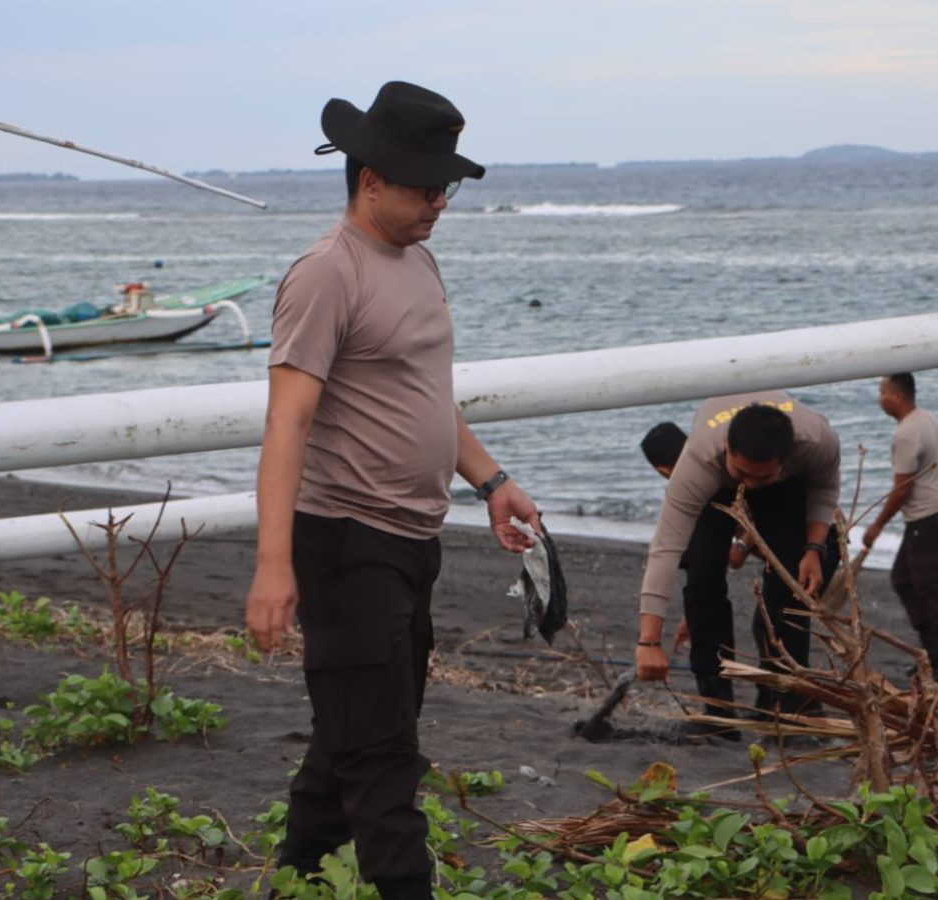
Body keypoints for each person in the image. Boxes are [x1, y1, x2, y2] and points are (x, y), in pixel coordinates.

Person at [245, 81, 540, 900]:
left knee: (353, 738)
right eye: (424, 185)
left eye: (446, 185)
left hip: (414, 540)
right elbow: (287, 424)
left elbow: (422, 392)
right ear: (369, 178)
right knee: (383, 758)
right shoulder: (325, 275)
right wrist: (275, 567)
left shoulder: (417, 258)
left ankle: (293, 885)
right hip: (343, 541)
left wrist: (491, 478)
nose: (439, 201)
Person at [634, 393, 841, 717]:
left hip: (784, 486)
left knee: (790, 585)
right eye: (743, 475)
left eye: (761, 477)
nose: (751, 486)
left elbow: (825, 490)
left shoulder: (817, 440)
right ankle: (719, 708)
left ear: (787, 459)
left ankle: (784, 701)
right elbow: (664, 550)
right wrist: (649, 642)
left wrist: (813, 550)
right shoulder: (700, 460)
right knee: (702, 576)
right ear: (727, 449)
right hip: (718, 479)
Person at [639, 421, 754, 734]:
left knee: (709, 619)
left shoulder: (695, 486)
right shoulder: (719, 463)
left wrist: (742, 547)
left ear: (663, 469)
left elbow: (684, 562)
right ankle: (744, 710)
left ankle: (721, 717)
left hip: (732, 571)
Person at [861, 372, 938, 692]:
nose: (879, 398)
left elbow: (901, 490)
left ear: (897, 397)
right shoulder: (927, 419)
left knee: (931, 589)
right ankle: (933, 655)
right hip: (937, 513)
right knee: (904, 580)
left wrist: (876, 525)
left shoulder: (906, 434)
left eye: (882, 392)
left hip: (929, 519)